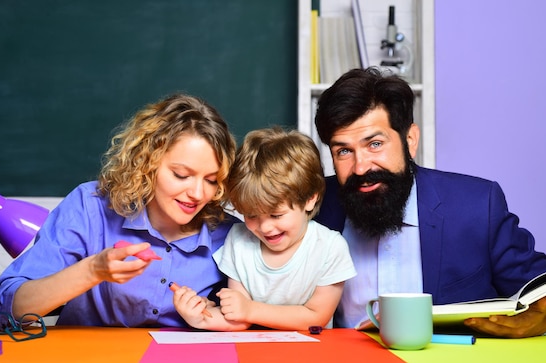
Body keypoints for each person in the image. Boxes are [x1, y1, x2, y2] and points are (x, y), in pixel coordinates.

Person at [313, 67, 546, 338]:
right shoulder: (310, 207)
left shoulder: (478, 206)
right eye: (343, 151)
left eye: (375, 144)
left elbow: (538, 286)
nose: (361, 167)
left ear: (410, 140)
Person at [0, 94, 238, 329]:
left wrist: (217, 313)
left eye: (212, 180)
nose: (197, 193)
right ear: (146, 163)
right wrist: (92, 270)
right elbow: (2, 311)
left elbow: (260, 315)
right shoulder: (90, 206)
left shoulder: (229, 234)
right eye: (181, 175)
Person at [172, 127, 356, 331]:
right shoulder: (239, 239)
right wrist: (199, 317)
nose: (265, 227)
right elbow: (237, 316)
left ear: (310, 199)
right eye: (251, 215)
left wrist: (250, 310)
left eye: (276, 215)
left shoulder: (330, 247)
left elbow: (316, 316)